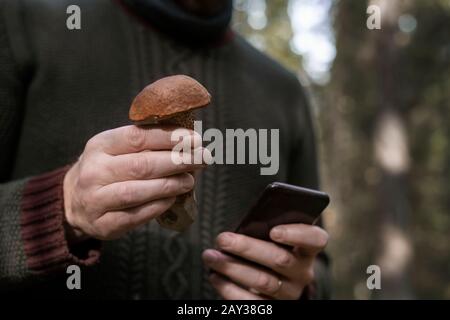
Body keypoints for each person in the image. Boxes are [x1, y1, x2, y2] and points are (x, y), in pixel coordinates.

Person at [0, 0, 331, 299]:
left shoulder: (284, 92)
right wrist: (61, 208)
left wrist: (300, 288)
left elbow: (320, 264)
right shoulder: (25, 24)